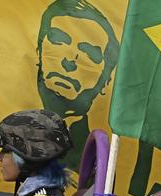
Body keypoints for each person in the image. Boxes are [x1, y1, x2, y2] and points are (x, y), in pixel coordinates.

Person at [37, 0, 119, 169]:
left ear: (106, 80)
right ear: (39, 50)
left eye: (89, 53)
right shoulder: (13, 129)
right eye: (59, 41)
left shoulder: (95, 161)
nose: (70, 61)